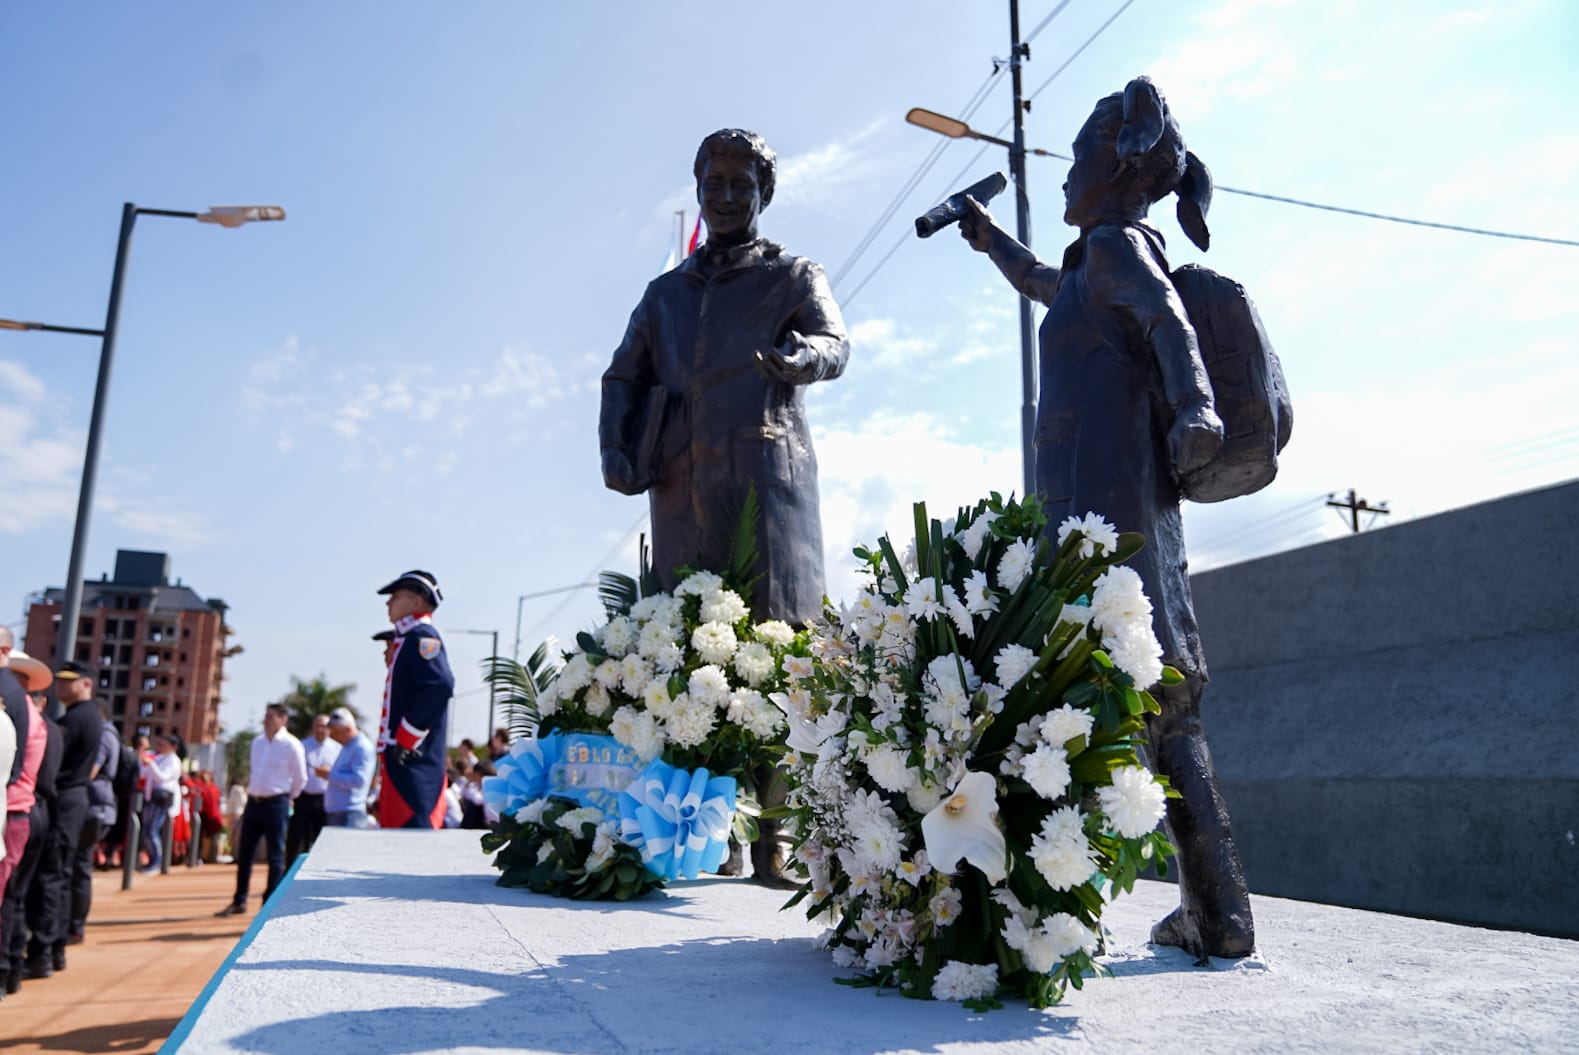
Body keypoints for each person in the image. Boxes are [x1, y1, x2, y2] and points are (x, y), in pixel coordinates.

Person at [956, 76, 1253, 960]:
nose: (1061, 171)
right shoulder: (1094, 261)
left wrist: (1197, 409)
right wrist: (988, 240)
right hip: (1092, 497)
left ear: (1118, 169)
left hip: (1110, 499)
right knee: (1146, 693)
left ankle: (1069, 910)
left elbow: (1171, 327)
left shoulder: (1121, 246)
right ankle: (1214, 907)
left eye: (1078, 152)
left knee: (1130, 681)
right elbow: (1045, 282)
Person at [600, 128, 850, 626]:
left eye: (743, 185)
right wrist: (616, 449)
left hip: (765, 487)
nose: (727, 197)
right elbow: (622, 377)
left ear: (765, 194)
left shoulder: (793, 275)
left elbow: (835, 345)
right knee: (684, 650)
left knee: (777, 640)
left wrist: (806, 358)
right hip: (680, 491)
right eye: (715, 183)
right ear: (698, 191)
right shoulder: (663, 295)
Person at [375, 571, 453, 829]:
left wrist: (407, 737)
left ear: (417, 602)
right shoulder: (408, 638)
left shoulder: (422, 637)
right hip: (402, 760)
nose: (389, 603)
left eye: (396, 597)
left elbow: (440, 685)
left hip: (414, 762)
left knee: (411, 838)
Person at [215, 703, 305, 916]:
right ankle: (240, 900)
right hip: (254, 803)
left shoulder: (292, 745)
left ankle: (269, 903)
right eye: (266, 716)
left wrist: (287, 798)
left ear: (283, 719)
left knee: (275, 856)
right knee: (244, 853)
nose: (266, 720)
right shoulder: (257, 742)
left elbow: (301, 779)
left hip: (277, 803)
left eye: (271, 716)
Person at [51, 661, 110, 947]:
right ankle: (68, 931)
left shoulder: (75, 719)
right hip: (80, 801)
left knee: (61, 873)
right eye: (59, 680)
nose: (60, 686)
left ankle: (57, 938)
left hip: (70, 800)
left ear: (86, 684)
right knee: (73, 870)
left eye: (68, 681)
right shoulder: (88, 717)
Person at [0, 652, 48, 996]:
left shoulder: (14, 714)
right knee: (14, 898)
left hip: (14, 812)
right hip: (26, 810)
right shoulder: (35, 717)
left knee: (7, 899)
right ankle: (10, 970)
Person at [285, 713, 339, 867]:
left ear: (330, 729)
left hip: (325, 800)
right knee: (296, 839)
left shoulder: (337, 749)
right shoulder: (303, 746)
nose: (320, 729)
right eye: (317, 726)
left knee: (321, 840)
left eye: (324, 726)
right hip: (303, 798)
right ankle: (289, 873)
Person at [322, 708, 375, 829]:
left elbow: (359, 780)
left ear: (348, 729)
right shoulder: (348, 746)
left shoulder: (362, 747)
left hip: (349, 814)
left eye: (336, 733)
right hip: (339, 813)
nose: (333, 737)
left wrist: (329, 775)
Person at [138, 735, 181, 873]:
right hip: (151, 797)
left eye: (165, 744)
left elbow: (163, 777)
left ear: (173, 747)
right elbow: (144, 774)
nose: (161, 746)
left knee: (152, 830)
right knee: (147, 830)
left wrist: (151, 764)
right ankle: (152, 859)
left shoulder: (174, 761)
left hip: (162, 800)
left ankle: (157, 861)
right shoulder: (160, 758)